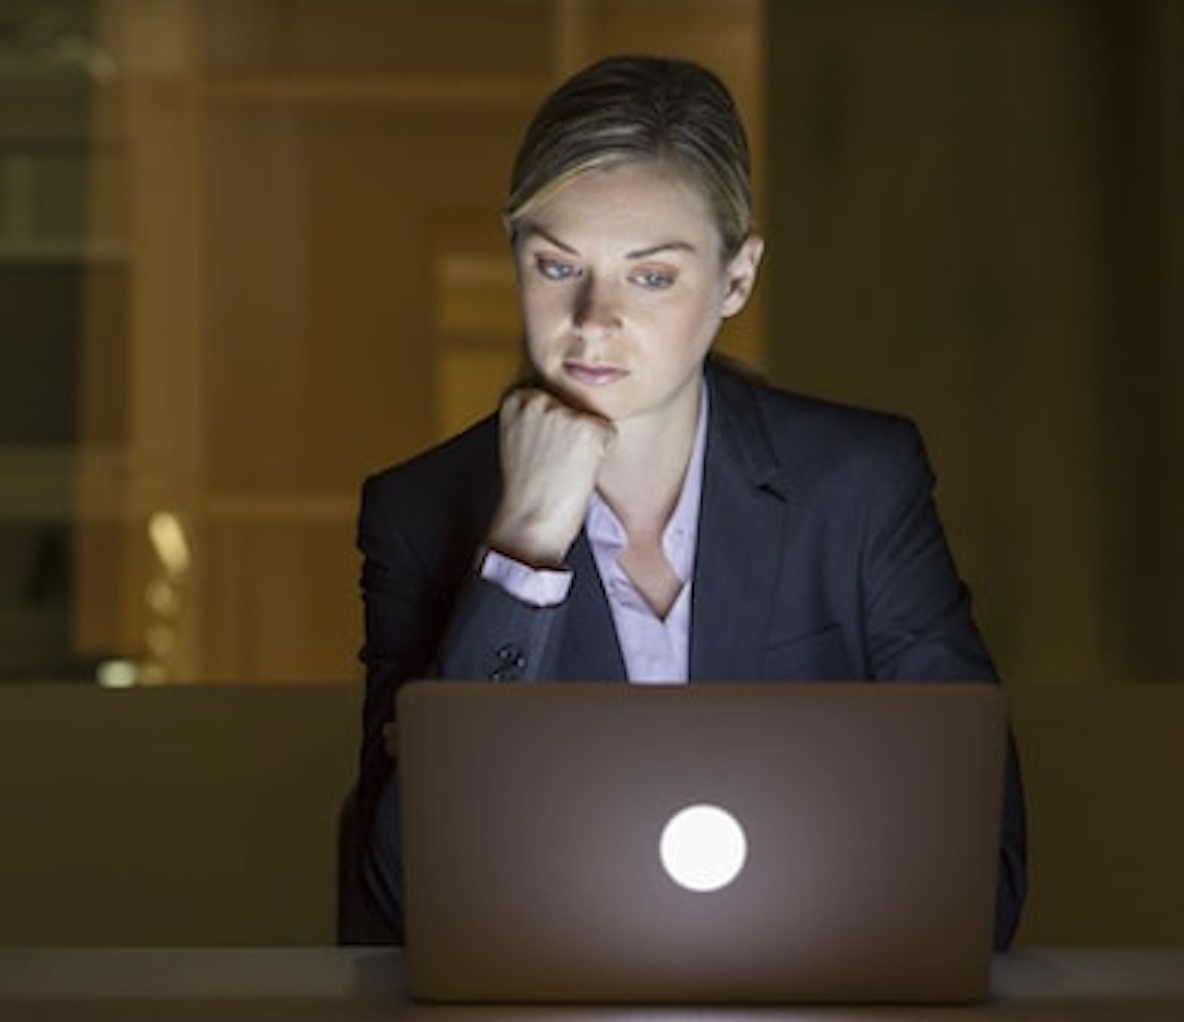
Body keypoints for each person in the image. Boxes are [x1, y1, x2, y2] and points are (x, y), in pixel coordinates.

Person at [352, 54, 1027, 949]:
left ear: (736, 279)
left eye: (652, 277)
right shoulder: (420, 512)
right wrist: (522, 553)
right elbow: (398, 898)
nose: (594, 320)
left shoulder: (859, 485)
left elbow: (984, 873)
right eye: (558, 267)